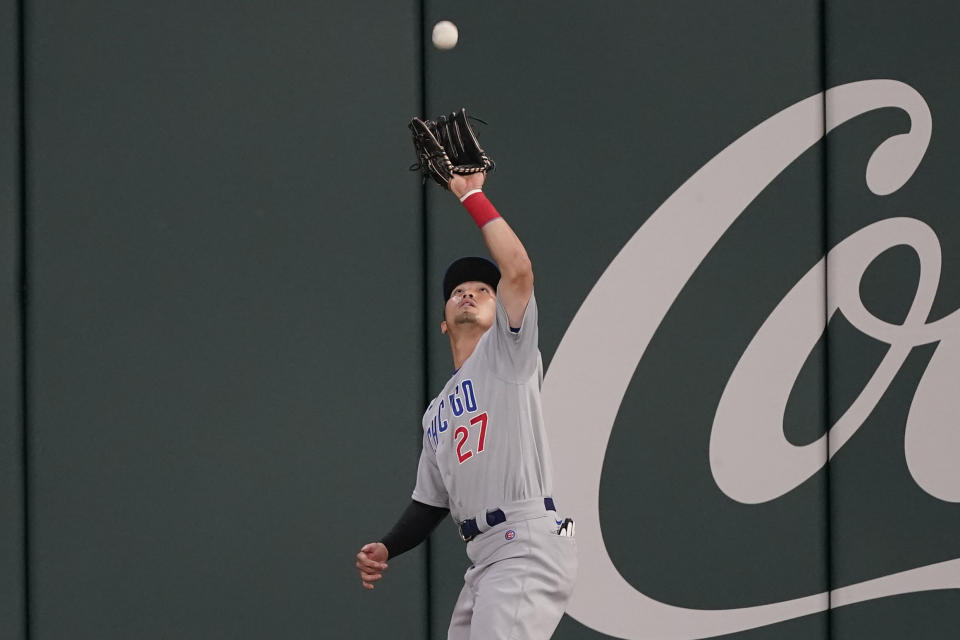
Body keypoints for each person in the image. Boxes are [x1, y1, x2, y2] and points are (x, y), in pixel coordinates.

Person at [355, 170, 577, 639]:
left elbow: (518, 270)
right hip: (485, 560)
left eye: (482, 291)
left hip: (525, 544)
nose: (470, 293)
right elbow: (429, 503)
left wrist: (472, 195)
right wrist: (388, 548)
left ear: (500, 315)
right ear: (443, 323)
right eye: (459, 292)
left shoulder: (508, 354)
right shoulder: (436, 413)